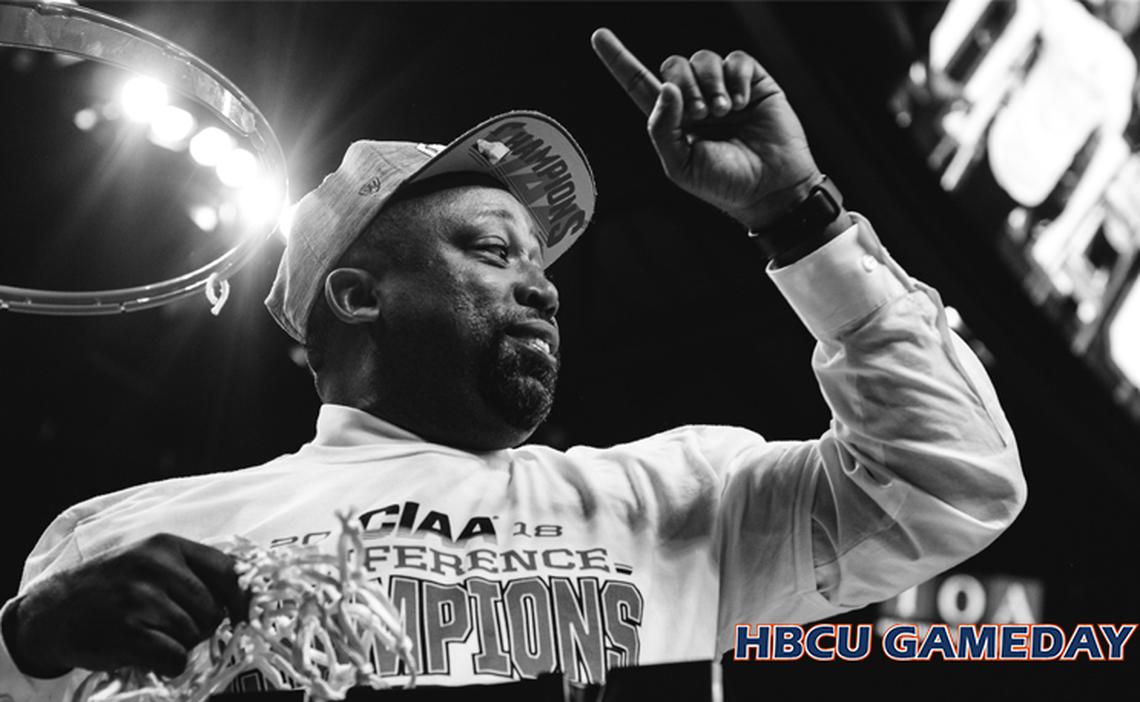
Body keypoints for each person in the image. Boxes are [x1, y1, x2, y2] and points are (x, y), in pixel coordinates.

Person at [0, 28, 1025, 698]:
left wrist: (794, 217)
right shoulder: (131, 535)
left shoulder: (678, 497)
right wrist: (29, 654)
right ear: (359, 295)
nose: (543, 285)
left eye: (542, 262)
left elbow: (951, 480)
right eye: (494, 251)